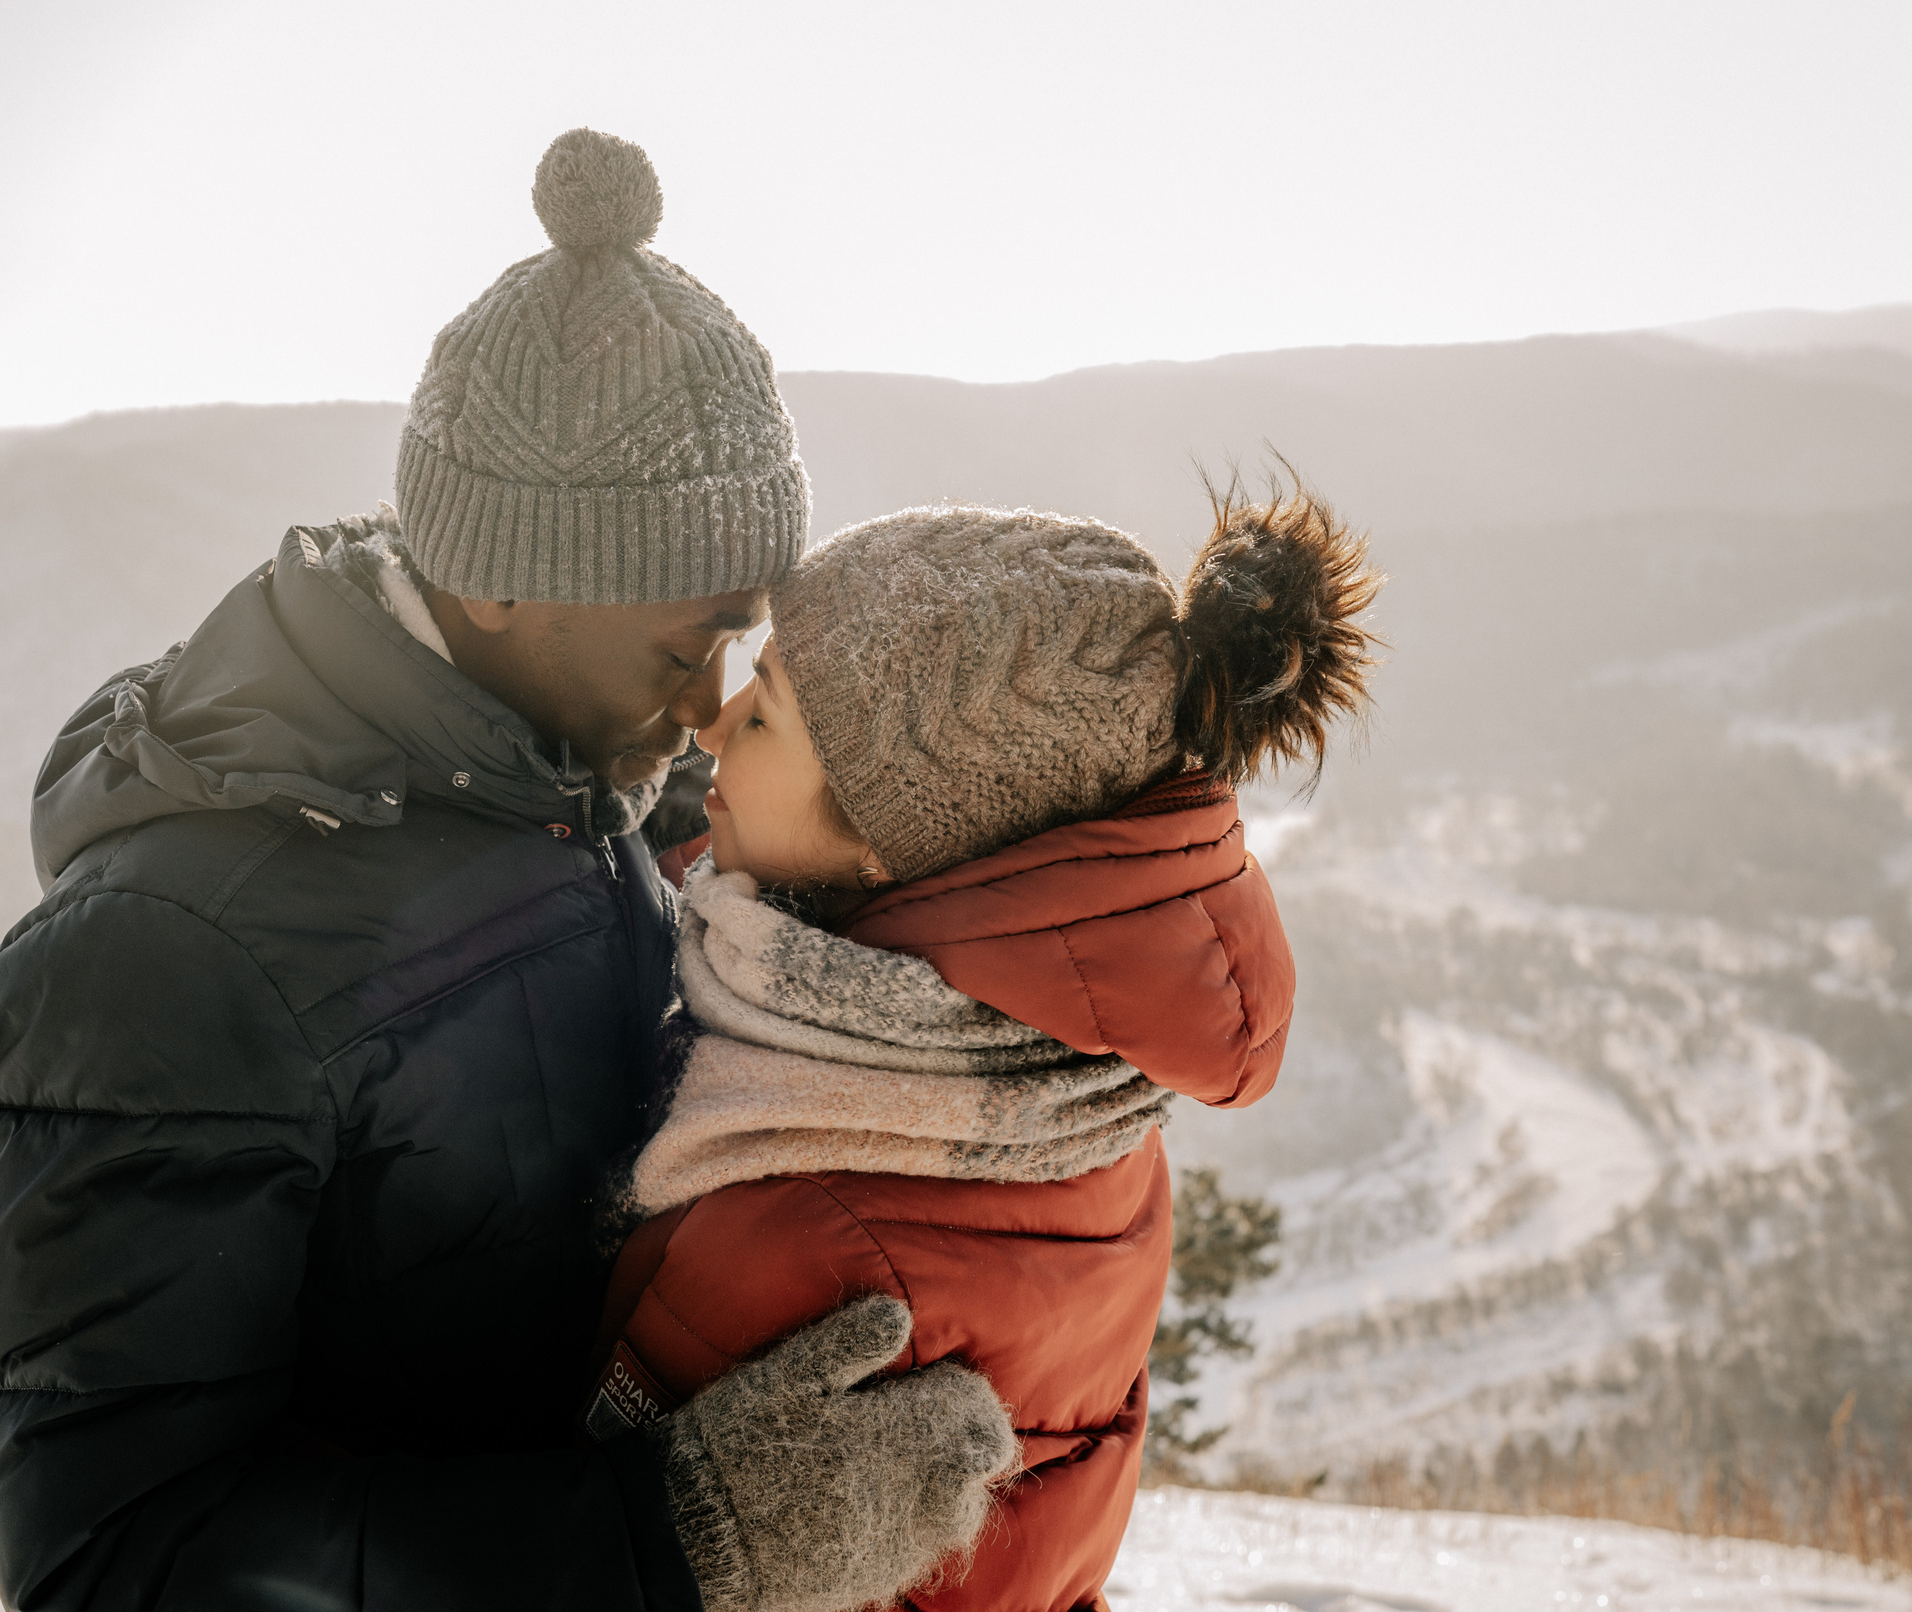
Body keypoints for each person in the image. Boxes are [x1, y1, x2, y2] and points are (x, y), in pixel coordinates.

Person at [0, 129, 1015, 1612]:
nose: (714, 704)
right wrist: (671, 1541)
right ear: (505, 577)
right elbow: (114, 1560)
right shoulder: (162, 958)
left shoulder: (573, 785)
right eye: (689, 643)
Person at [583, 490, 1381, 1610]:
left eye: (763, 716)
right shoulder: (1079, 1109)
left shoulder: (797, 1224)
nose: (713, 727)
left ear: (884, 845)